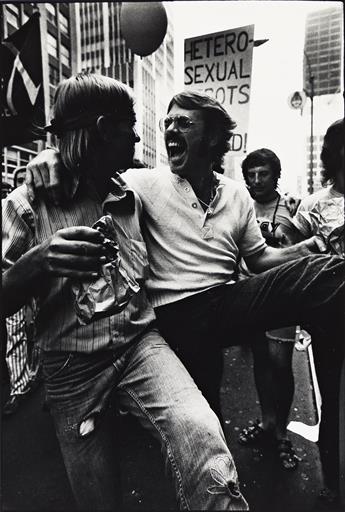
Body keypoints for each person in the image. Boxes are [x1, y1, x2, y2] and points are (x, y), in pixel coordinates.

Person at [2, 73, 249, 511]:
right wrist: (39, 261)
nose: (139, 134)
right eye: (130, 124)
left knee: (204, 441)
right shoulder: (28, 203)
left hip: (140, 347)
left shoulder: (131, 192)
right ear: (102, 129)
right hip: (72, 372)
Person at [25, 90, 344, 428]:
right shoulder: (143, 182)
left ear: (212, 137)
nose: (170, 130)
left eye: (184, 123)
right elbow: (89, 167)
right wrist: (51, 156)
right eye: (168, 123)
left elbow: (260, 258)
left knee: (207, 416)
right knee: (322, 275)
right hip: (172, 315)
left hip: (223, 309)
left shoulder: (237, 194)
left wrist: (305, 248)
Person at [237, 148, 303, 470]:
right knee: (261, 361)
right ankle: (266, 422)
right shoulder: (240, 207)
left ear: (276, 176)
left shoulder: (292, 208)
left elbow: (302, 249)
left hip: (282, 296)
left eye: (263, 174)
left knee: (280, 364)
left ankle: (281, 431)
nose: (256, 180)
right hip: (250, 294)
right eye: (250, 174)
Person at [294, 118, 344, 505]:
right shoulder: (313, 204)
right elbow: (292, 253)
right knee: (331, 394)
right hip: (330, 317)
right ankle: (332, 475)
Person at [3, 166, 40, 416]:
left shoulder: (37, 206)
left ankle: (36, 374)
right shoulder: (10, 205)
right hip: (14, 275)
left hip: (37, 276)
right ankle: (19, 387)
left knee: (37, 327)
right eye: (17, 180)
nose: (20, 185)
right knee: (14, 330)